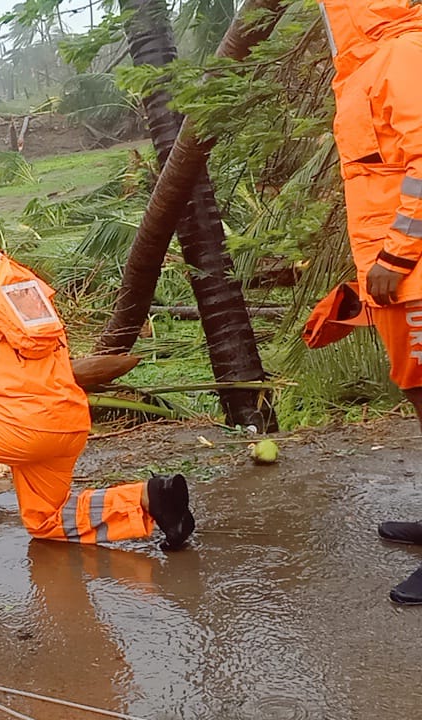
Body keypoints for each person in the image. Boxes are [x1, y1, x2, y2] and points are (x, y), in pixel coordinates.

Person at [0, 209, 195, 578]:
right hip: (66, 421)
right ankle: (151, 497)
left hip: (19, 426)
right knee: (46, 520)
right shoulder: (19, 280)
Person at [319, 0, 422, 605]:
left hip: (410, 271)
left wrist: (397, 255)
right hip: (397, 276)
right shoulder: (367, 64)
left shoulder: (401, 54)